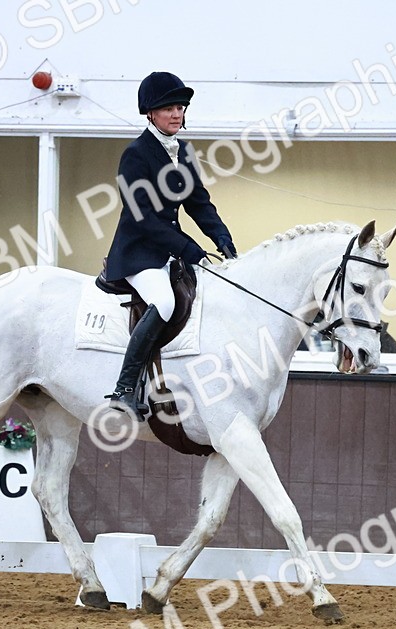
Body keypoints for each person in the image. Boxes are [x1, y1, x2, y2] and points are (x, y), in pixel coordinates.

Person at [102, 71, 237, 419]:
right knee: (163, 301)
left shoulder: (184, 151)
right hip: (138, 253)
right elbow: (143, 218)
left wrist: (222, 238)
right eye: (168, 109)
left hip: (169, 252)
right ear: (150, 113)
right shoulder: (135, 154)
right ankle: (124, 388)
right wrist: (187, 248)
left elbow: (198, 202)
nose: (176, 114)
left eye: (180, 108)